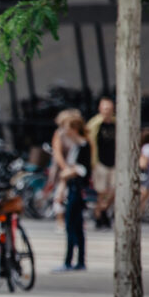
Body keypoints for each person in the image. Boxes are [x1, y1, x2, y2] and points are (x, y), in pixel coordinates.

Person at [53, 114, 91, 272]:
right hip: (73, 188)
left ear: (74, 129)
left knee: (71, 225)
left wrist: (70, 172)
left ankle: (70, 261)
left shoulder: (84, 146)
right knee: (76, 226)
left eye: (67, 128)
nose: (64, 131)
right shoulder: (76, 146)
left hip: (77, 189)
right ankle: (79, 261)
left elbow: (85, 170)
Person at [49, 109, 83, 232]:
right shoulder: (59, 134)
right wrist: (65, 168)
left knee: (74, 195)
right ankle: (60, 220)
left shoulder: (78, 135)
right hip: (61, 169)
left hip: (75, 168)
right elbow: (57, 152)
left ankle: (73, 219)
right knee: (60, 194)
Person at [86, 97, 116, 229]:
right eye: (104, 108)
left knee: (114, 190)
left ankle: (100, 211)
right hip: (99, 162)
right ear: (100, 109)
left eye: (109, 108)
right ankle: (100, 215)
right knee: (102, 191)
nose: (107, 110)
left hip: (114, 162)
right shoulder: (94, 124)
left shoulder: (116, 123)